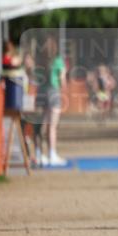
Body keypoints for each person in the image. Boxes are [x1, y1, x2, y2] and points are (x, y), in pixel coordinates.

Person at [34, 35, 67, 166]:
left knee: (40, 125)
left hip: (41, 92)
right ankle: (52, 154)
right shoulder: (58, 61)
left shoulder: (40, 61)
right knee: (52, 126)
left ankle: (38, 153)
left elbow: (36, 78)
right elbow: (62, 79)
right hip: (53, 92)